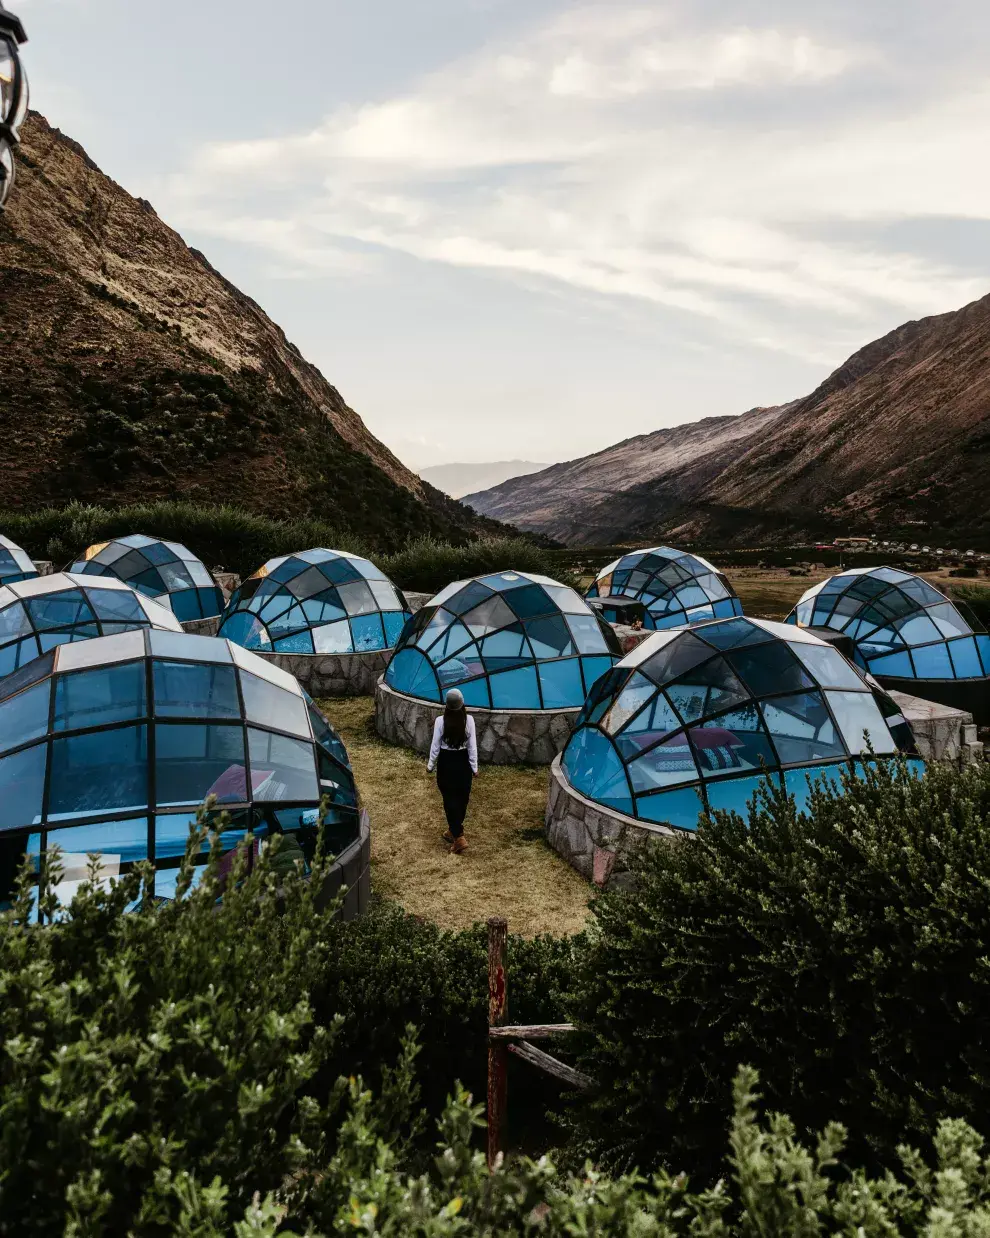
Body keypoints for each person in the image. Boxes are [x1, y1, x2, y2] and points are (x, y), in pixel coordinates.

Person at [427, 688, 478, 855]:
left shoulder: (440, 721)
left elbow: (435, 746)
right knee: (462, 797)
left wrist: (430, 765)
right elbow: (472, 747)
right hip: (463, 762)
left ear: (446, 705)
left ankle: (459, 837)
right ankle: (453, 829)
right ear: (462, 703)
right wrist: (474, 767)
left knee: (449, 799)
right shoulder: (469, 720)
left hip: (446, 762)